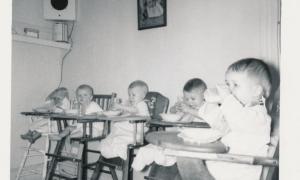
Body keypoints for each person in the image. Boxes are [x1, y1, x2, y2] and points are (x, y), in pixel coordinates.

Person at [178, 58, 273, 180]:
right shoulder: (242, 110)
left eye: (235, 85)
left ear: (256, 91)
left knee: (186, 158)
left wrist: (227, 99)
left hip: (239, 171)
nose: (230, 90)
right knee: (184, 156)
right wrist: (206, 108)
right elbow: (222, 124)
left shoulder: (259, 115)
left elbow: (238, 119)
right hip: (227, 165)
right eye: (228, 84)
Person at [132, 78, 229, 172]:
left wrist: (189, 110)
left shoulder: (208, 105)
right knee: (154, 147)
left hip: (202, 141)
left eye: (193, 98)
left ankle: (165, 158)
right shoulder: (188, 106)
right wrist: (175, 109)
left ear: (204, 96)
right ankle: (144, 160)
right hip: (185, 137)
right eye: (186, 98)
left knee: (168, 151)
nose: (190, 101)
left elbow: (208, 117)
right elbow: (175, 115)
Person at [98, 80, 150, 160]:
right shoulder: (132, 104)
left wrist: (121, 107)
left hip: (138, 129)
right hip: (131, 127)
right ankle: (112, 146)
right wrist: (119, 112)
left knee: (118, 127)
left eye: (133, 95)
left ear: (143, 96)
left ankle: (120, 151)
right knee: (116, 126)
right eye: (129, 95)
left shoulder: (142, 104)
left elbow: (134, 110)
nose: (131, 97)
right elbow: (127, 114)